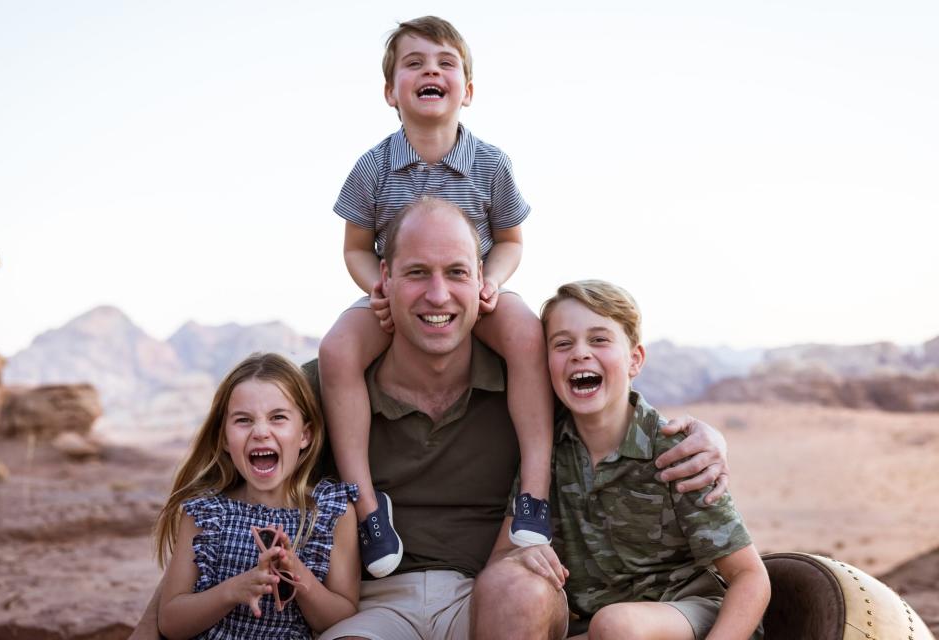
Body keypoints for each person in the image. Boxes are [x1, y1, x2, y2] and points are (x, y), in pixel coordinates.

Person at [129, 198, 733, 640]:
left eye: (456, 273)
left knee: (520, 588)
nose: (438, 295)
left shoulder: (530, 385)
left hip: (494, 596)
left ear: (483, 285)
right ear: (384, 281)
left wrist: (711, 437)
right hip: (373, 605)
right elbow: (225, 497)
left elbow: (611, 408)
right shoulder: (327, 392)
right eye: (417, 272)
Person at [318, 15, 555, 579]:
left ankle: (536, 493)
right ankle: (368, 508)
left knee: (525, 332)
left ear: (467, 91)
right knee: (336, 351)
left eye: (446, 63)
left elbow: (510, 239)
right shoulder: (374, 166)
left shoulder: (490, 163)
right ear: (390, 91)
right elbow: (354, 247)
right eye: (415, 63)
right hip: (399, 296)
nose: (431, 71)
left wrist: (491, 280)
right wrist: (374, 284)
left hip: (473, 292)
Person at [530, 280, 770, 639]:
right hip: (598, 627)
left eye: (599, 340)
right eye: (562, 343)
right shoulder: (544, 449)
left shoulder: (678, 452)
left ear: (635, 359)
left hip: (690, 614)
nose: (580, 353)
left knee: (617, 624)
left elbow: (751, 577)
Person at [153, 353, 360, 640]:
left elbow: (339, 618)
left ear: (305, 435)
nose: (261, 431)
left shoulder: (330, 512)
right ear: (224, 439)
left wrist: (295, 574)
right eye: (243, 420)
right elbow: (170, 623)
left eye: (278, 418)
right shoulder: (206, 513)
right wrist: (233, 590)